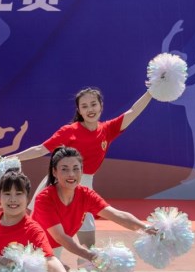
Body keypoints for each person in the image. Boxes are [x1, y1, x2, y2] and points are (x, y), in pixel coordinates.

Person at [12, 87, 153, 248]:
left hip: (84, 188)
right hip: (58, 185)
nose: (90, 109)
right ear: (79, 110)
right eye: (84, 106)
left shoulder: (108, 129)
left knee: (88, 243)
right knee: (43, 237)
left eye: (93, 104)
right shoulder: (69, 131)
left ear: (101, 106)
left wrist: (151, 92)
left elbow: (133, 112)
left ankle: (83, 264)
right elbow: (40, 149)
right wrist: (8, 159)